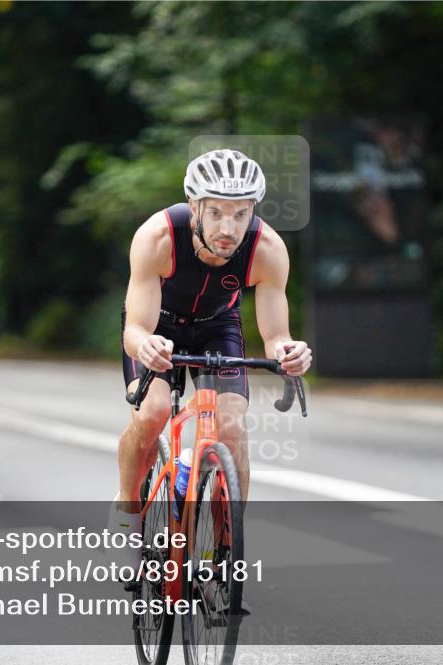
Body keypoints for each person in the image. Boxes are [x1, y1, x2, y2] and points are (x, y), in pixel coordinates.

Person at [109, 149, 313, 543]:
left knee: (233, 428)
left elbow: (276, 338)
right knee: (151, 414)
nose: (229, 227)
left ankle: (224, 548)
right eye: (216, 212)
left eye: (241, 214)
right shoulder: (158, 237)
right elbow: (135, 328)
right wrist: (146, 346)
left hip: (217, 326)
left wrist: (290, 353)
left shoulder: (267, 250)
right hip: (158, 325)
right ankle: (126, 508)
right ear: (194, 206)